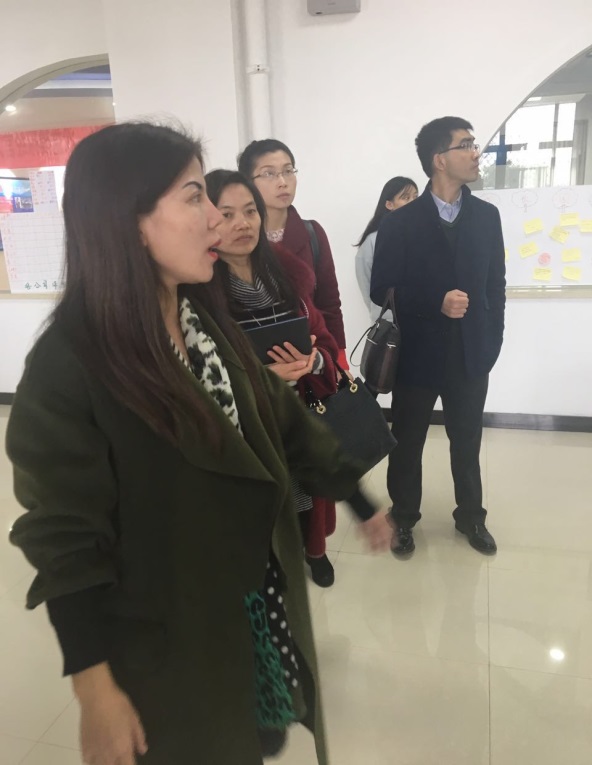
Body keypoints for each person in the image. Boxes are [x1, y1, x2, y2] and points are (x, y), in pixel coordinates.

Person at [5, 122, 392, 765]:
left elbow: (283, 420)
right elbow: (64, 536)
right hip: (166, 632)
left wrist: (356, 497)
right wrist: (94, 687)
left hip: (249, 597)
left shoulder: (198, 318)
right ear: (130, 223)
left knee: (259, 734)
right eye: (195, 197)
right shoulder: (71, 364)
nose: (217, 218)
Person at [371, 116, 506, 557]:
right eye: (465, 144)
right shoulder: (400, 222)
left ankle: (471, 516)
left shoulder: (487, 217)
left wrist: (493, 340)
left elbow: (495, 286)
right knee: (407, 443)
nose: (475, 153)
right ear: (439, 160)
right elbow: (381, 289)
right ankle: (403, 518)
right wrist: (435, 302)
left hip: (471, 354)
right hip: (416, 356)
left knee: (467, 442)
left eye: (474, 143)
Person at [204, 168, 343, 589]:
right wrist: (260, 379)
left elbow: (323, 341)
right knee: (263, 512)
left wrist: (314, 363)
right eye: (226, 214)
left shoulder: (288, 279)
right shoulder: (198, 294)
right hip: (245, 434)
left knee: (305, 498)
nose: (242, 224)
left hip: (297, 417)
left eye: (250, 211)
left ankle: (313, 552)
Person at [237, 139, 349, 369]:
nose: (282, 182)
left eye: (288, 171)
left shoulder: (312, 233)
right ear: (248, 183)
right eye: (269, 173)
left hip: (311, 357)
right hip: (257, 362)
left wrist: (339, 360)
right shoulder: (239, 239)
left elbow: (329, 303)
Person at [355, 177, 417, 322]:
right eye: (405, 197)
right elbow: (368, 289)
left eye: (415, 197)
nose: (413, 202)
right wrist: (384, 315)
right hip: (390, 325)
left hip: (422, 322)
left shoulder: (424, 237)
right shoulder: (373, 241)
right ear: (389, 204)